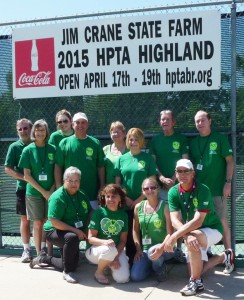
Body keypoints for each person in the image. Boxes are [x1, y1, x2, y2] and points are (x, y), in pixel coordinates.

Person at [162, 159, 229, 296]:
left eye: (186, 171)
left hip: (212, 230)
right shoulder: (173, 192)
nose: (183, 174)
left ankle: (196, 282)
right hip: (192, 232)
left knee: (194, 242)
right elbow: (174, 219)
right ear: (176, 173)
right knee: (192, 269)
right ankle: (222, 257)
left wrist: (175, 236)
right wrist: (187, 235)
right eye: (179, 171)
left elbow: (198, 221)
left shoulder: (203, 189)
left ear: (193, 173)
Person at [29, 167, 92, 283]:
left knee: (74, 264)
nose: (74, 184)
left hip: (72, 230)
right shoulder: (58, 197)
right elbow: (54, 222)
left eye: (76, 181)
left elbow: (90, 212)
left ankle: (46, 259)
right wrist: (76, 231)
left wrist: (93, 226)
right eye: (70, 181)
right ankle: (67, 272)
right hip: (54, 231)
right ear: (64, 181)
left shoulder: (81, 194)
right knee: (72, 238)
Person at [189, 110, 234, 274]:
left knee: (222, 222)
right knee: (200, 223)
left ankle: (229, 258)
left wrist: (228, 183)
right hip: (199, 193)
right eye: (197, 121)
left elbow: (230, 162)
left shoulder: (220, 139)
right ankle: (205, 255)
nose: (200, 124)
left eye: (202, 120)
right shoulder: (193, 143)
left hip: (216, 190)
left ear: (210, 121)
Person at [149, 109, 189, 261]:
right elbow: (153, 162)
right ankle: (162, 250)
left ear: (174, 122)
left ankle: (178, 250)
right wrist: (162, 178)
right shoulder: (155, 140)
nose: (164, 122)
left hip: (178, 185)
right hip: (160, 187)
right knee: (162, 218)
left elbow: (185, 161)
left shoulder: (182, 139)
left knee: (178, 217)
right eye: (162, 119)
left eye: (167, 119)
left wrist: (173, 178)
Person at [114, 128, 157, 266]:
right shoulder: (122, 159)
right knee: (126, 234)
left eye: (137, 139)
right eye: (131, 139)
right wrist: (125, 198)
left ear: (141, 141)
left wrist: (139, 200)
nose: (134, 142)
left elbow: (152, 183)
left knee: (141, 231)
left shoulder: (147, 159)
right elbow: (117, 183)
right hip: (125, 203)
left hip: (143, 203)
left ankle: (147, 262)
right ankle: (129, 262)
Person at [18, 119, 56, 256]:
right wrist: (44, 192)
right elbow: (27, 176)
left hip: (51, 192)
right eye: (38, 130)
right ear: (34, 131)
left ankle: (47, 251)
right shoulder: (28, 150)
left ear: (47, 132)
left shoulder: (52, 148)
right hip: (34, 193)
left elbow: (56, 171)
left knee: (48, 222)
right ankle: (39, 254)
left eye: (43, 130)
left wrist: (51, 190)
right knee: (38, 223)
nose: (40, 133)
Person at [55, 112, 105, 210]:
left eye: (83, 122)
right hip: (69, 193)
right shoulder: (64, 143)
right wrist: (58, 187)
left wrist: (102, 186)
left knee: (91, 222)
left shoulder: (95, 143)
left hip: (91, 193)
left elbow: (100, 166)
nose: (80, 125)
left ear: (87, 125)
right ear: (73, 125)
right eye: (77, 122)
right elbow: (58, 166)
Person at [130, 178, 175, 282]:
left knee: (153, 252)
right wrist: (138, 249)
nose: (150, 190)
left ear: (158, 189)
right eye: (146, 188)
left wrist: (161, 248)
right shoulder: (138, 207)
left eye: (153, 188)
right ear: (142, 191)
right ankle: (152, 266)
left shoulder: (165, 206)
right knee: (135, 277)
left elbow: (170, 233)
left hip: (165, 248)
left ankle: (160, 268)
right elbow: (135, 230)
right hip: (146, 249)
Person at [85, 184, 130, 284]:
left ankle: (107, 263)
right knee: (109, 248)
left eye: (113, 196)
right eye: (107, 196)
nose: (110, 199)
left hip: (116, 251)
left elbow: (123, 240)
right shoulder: (99, 213)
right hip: (97, 250)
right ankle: (99, 272)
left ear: (120, 199)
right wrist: (105, 242)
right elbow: (90, 238)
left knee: (122, 279)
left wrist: (116, 257)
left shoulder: (123, 215)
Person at [4, 118, 33, 262]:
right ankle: (26, 250)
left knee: (42, 220)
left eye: (26, 128)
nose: (23, 131)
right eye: (20, 129)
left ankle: (43, 250)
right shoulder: (14, 147)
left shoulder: (38, 144)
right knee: (25, 219)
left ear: (31, 128)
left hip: (42, 189)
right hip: (23, 189)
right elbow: (8, 169)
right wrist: (24, 178)